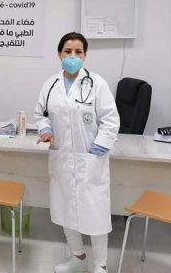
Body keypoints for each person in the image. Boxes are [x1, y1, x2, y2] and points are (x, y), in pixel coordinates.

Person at [34, 32, 119, 273]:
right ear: (59, 54)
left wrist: (97, 147)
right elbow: (41, 114)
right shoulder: (50, 85)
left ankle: (100, 264)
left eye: (78, 52)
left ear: (85, 55)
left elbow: (111, 119)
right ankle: (77, 256)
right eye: (68, 51)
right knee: (65, 209)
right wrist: (46, 130)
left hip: (90, 158)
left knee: (96, 213)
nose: (73, 56)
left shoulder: (97, 84)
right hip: (61, 157)